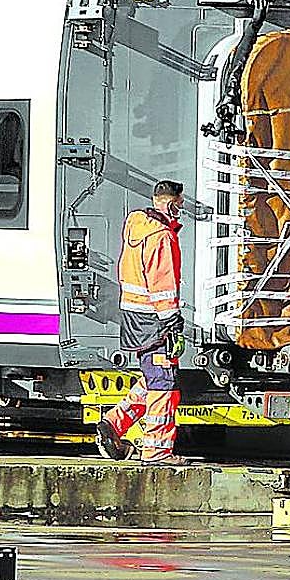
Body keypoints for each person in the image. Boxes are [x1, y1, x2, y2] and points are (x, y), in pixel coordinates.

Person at [96, 179, 189, 465]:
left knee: (152, 379)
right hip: (155, 321)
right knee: (163, 384)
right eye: (180, 205)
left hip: (136, 319)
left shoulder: (137, 226)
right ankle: (157, 452)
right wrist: (173, 321)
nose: (182, 210)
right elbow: (162, 284)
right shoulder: (161, 236)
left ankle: (113, 425)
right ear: (171, 203)